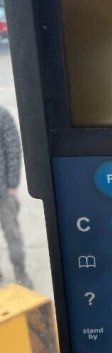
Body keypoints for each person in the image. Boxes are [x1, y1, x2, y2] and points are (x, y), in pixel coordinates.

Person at [0, 105, 33, 289]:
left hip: (3, 193)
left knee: (13, 235)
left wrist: (12, 184)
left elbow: (13, 148)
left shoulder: (2, 115)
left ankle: (20, 272)